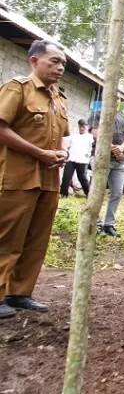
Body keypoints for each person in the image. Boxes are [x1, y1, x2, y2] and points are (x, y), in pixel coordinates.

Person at [0, 40, 69, 318]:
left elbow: (61, 136)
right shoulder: (18, 89)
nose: (60, 67)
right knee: (7, 237)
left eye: (62, 63)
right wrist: (39, 153)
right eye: (54, 61)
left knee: (36, 239)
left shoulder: (59, 98)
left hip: (49, 179)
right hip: (18, 177)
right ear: (35, 61)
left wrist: (58, 154)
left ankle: (20, 293)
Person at [88, 99, 124, 238]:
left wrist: (122, 148)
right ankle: (95, 222)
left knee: (117, 193)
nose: (116, 100)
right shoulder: (98, 114)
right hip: (101, 159)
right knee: (97, 192)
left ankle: (109, 224)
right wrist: (114, 148)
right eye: (115, 97)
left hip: (119, 161)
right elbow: (96, 133)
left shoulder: (122, 117)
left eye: (118, 98)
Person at [60, 119, 93, 197]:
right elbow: (67, 145)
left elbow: (91, 149)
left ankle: (89, 194)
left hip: (82, 161)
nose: (82, 128)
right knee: (66, 177)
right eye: (80, 126)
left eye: (83, 127)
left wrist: (88, 156)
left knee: (82, 178)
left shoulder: (90, 137)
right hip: (71, 159)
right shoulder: (73, 136)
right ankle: (63, 194)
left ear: (87, 127)